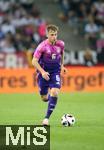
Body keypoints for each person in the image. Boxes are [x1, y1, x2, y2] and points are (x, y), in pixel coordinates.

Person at [32, 24, 67, 126]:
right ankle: (50, 100)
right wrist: (42, 72)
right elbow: (34, 61)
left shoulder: (61, 44)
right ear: (47, 35)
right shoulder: (42, 46)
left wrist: (62, 66)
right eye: (52, 34)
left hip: (55, 72)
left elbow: (62, 53)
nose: (54, 37)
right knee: (44, 98)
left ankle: (46, 119)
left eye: (55, 34)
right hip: (43, 74)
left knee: (55, 92)